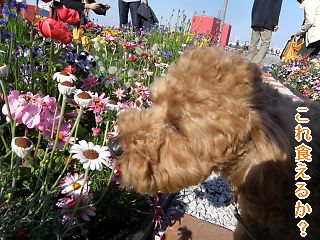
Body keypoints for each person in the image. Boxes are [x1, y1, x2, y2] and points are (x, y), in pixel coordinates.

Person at [247, 0, 283, 68]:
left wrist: (253, 19)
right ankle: (254, 63)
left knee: (253, 43)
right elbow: (277, 8)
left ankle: (250, 63)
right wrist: (275, 23)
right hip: (267, 21)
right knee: (265, 43)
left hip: (256, 19)